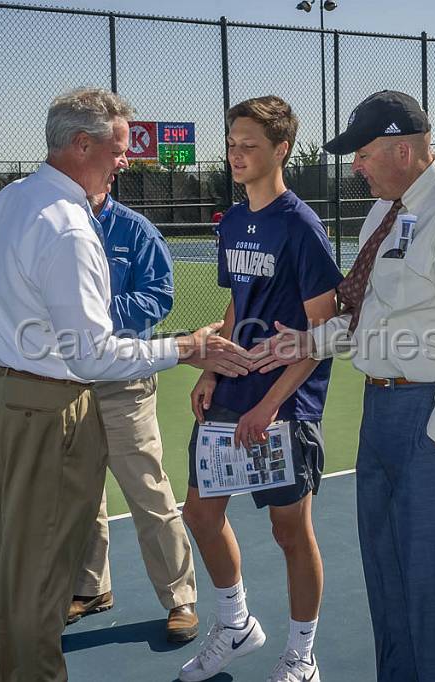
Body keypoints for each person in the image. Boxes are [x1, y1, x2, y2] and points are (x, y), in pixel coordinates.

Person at [0, 87, 252, 682]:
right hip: (51, 403)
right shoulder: (69, 228)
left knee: (14, 554)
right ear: (81, 144)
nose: (127, 161)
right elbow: (93, 354)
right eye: (120, 150)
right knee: (44, 566)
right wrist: (186, 349)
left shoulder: (10, 201)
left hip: (6, 394)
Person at [253, 90, 435, 681]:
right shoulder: (387, 210)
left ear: (403, 149)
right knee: (387, 577)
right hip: (382, 408)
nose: (355, 166)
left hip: (427, 413)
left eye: (363, 153)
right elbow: (370, 316)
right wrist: (307, 341)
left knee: (430, 584)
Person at [177, 95, 342, 682]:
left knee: (290, 530)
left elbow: (323, 333)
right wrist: (213, 367)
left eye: (250, 145)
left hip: (286, 404)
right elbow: (235, 302)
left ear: (282, 150)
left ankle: (302, 653)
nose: (237, 154)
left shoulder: (301, 226)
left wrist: (271, 407)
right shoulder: (234, 220)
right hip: (234, 390)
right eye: (231, 144)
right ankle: (236, 622)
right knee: (199, 512)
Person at [66, 189, 199, 643]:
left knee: (147, 489)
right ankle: (90, 587)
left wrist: (93, 317)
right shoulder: (58, 223)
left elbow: (159, 296)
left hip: (125, 379)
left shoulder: (135, 229)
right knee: (80, 491)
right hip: (70, 380)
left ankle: (180, 597)